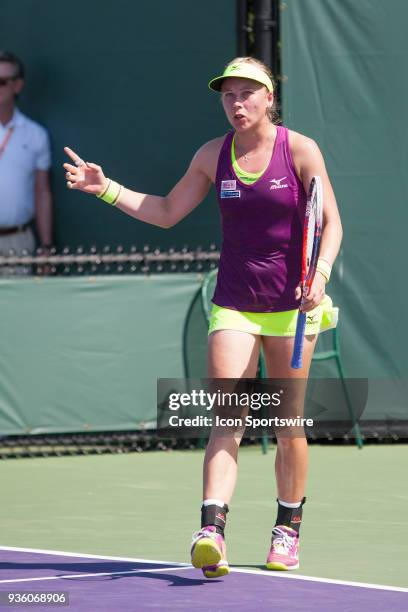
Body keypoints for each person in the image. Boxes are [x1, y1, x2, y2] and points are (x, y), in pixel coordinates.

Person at [63, 57, 342, 578]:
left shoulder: (300, 150)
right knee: (227, 419)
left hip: (293, 307)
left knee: (287, 427)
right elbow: (166, 212)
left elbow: (332, 224)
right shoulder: (212, 156)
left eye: (246, 94)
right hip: (235, 302)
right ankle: (211, 530)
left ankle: (288, 529)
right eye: (228, 96)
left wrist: (320, 273)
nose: (236, 104)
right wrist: (105, 187)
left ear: (268, 98)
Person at [0, 51, 53, 272]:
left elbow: (42, 192)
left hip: (18, 240)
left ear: (17, 86)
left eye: (1, 81)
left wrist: (46, 245)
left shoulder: (35, 135)